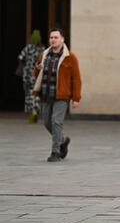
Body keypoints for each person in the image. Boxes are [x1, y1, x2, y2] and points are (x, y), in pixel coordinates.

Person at [32, 28, 81, 162]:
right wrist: (37, 68)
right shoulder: (44, 55)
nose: (53, 40)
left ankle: (55, 152)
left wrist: (76, 98)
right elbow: (35, 75)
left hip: (62, 96)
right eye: (51, 38)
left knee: (56, 122)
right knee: (47, 123)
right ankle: (63, 140)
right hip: (47, 94)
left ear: (62, 39)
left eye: (56, 37)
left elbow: (76, 79)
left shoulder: (70, 57)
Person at [17, 29, 45, 123]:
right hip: (37, 74)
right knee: (36, 93)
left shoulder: (28, 47)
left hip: (27, 74)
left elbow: (20, 57)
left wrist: (23, 66)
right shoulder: (42, 49)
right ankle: (35, 110)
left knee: (29, 93)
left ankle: (32, 112)